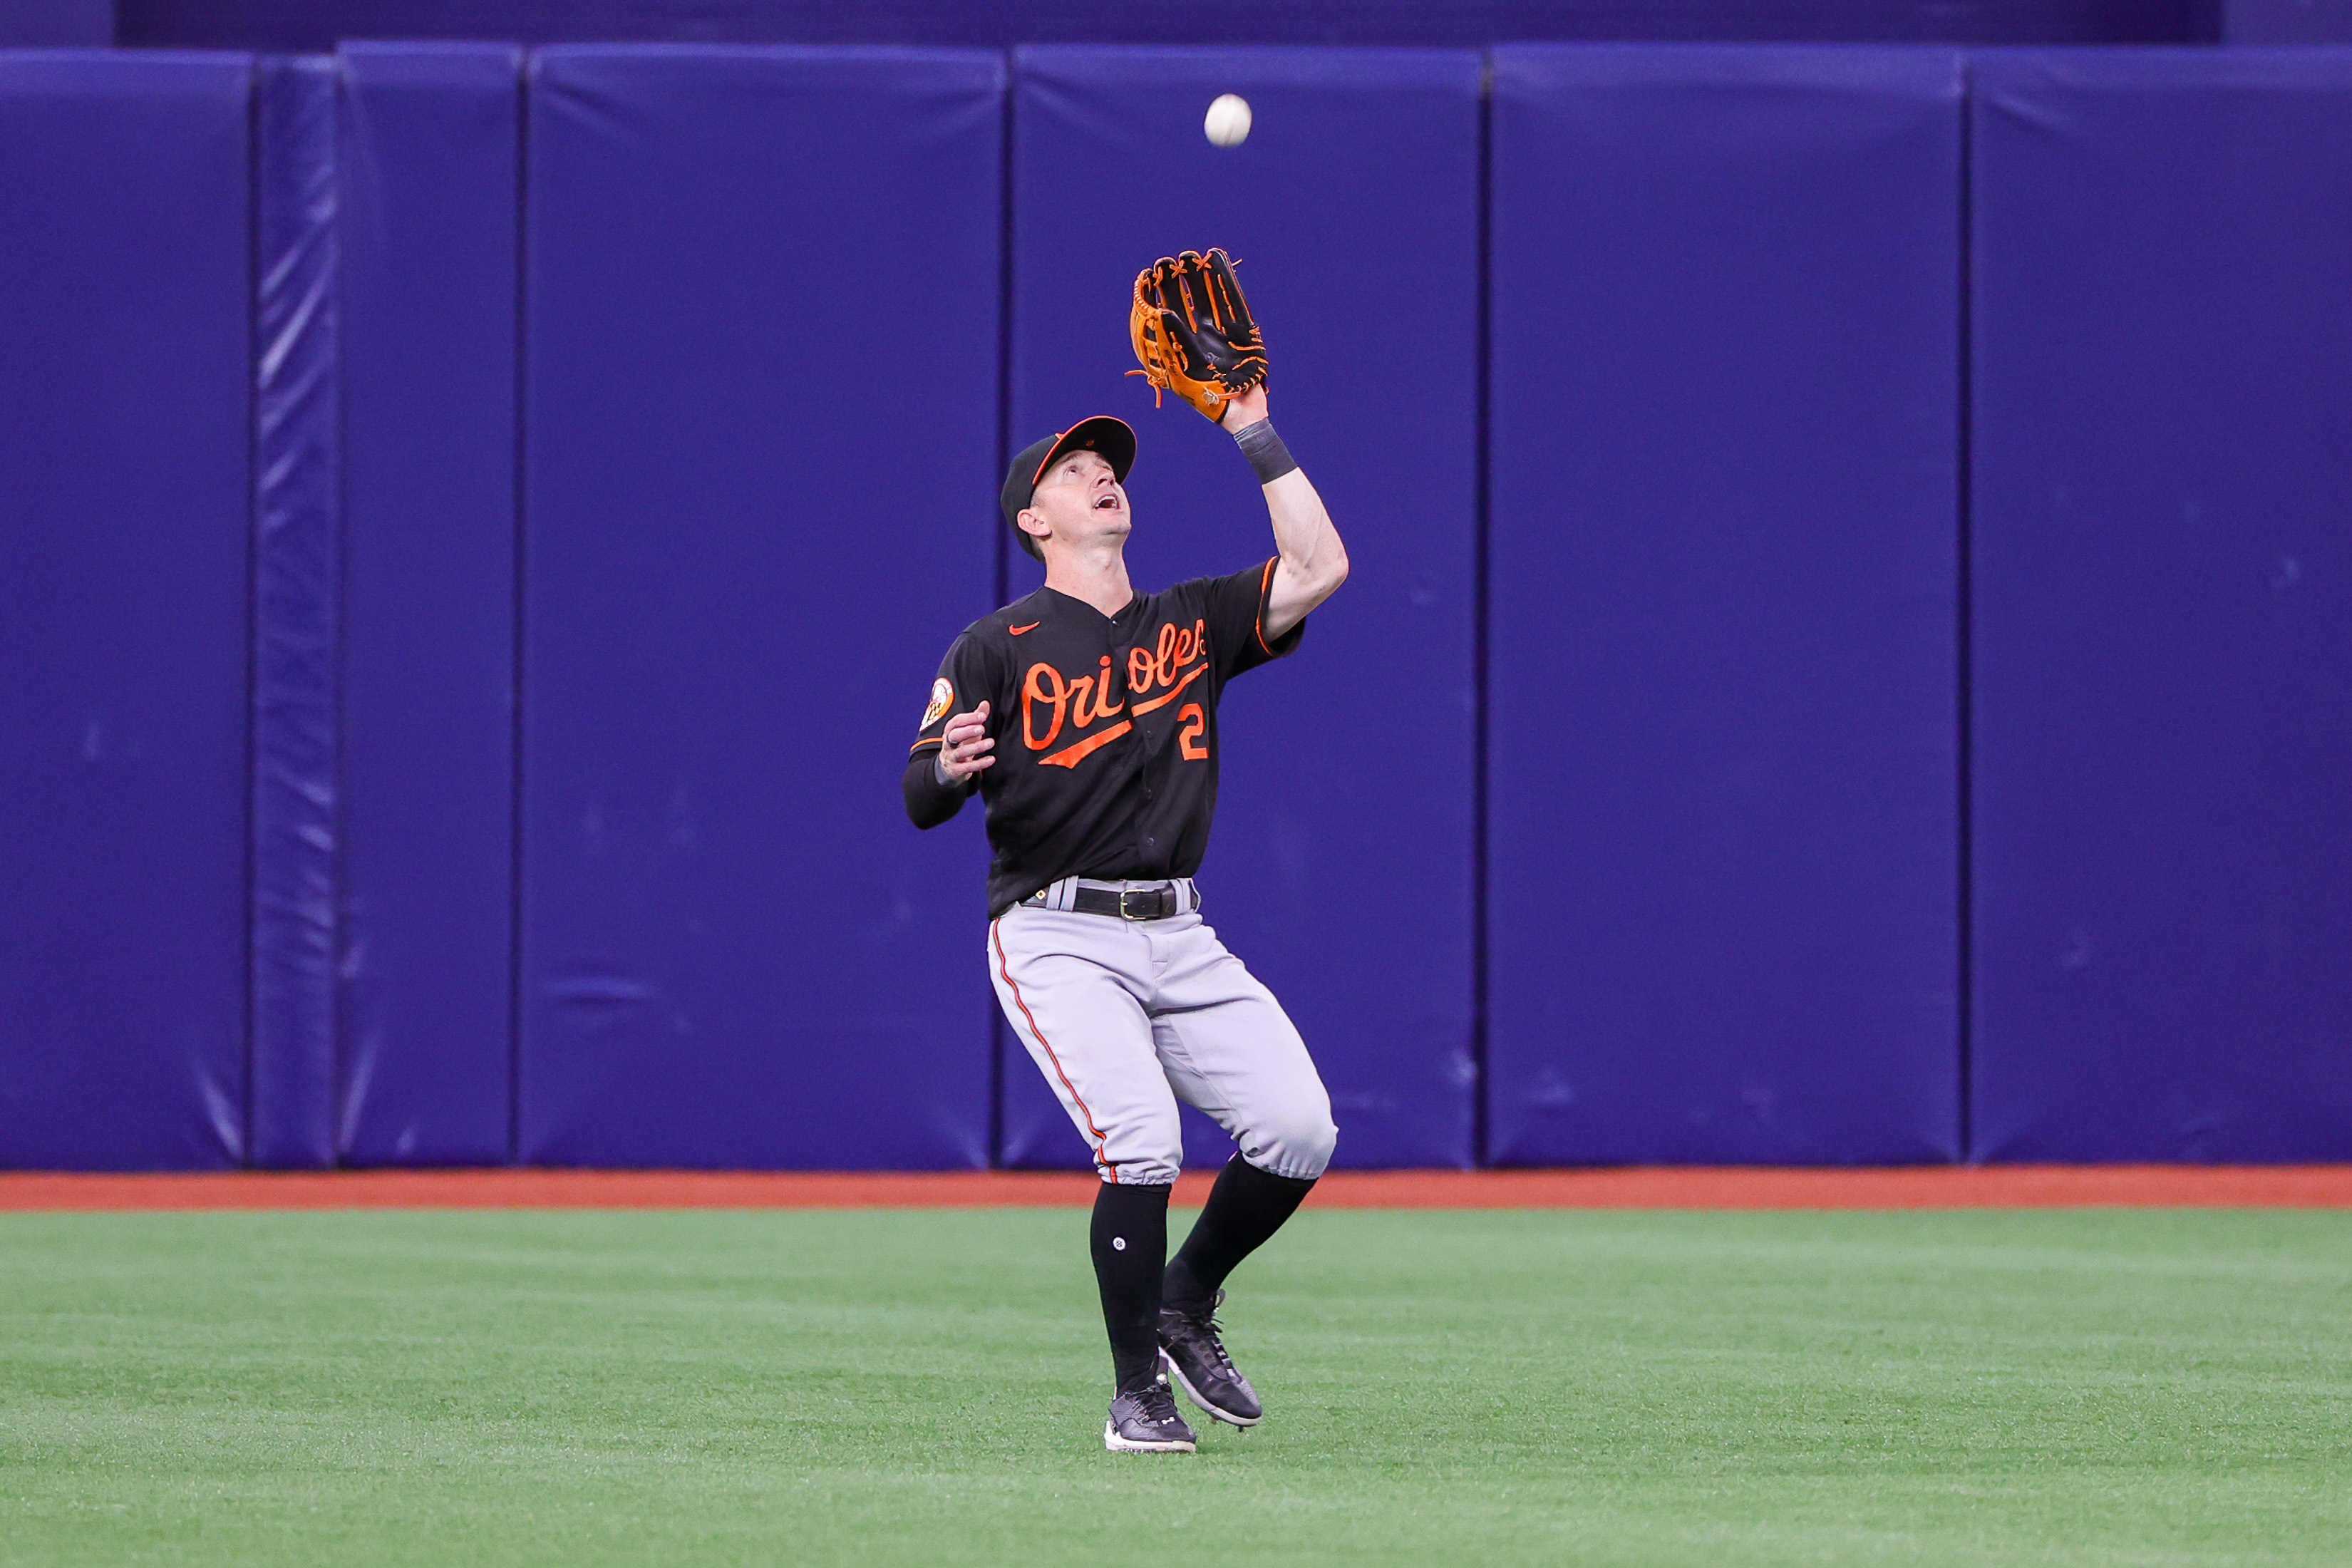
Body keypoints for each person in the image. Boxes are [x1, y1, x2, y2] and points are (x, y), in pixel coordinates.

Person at [902, 382, 1349, 1453]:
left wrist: (1253, 429)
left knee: (1299, 1129)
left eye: (1108, 466)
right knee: (1142, 1141)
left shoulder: (1188, 622)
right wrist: (948, 768)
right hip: (1054, 931)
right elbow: (920, 794)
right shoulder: (994, 645)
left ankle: (1184, 1299)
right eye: (1073, 470)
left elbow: (1320, 570)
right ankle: (1134, 1394)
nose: (1102, 474)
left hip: (1178, 931)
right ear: (1034, 520)